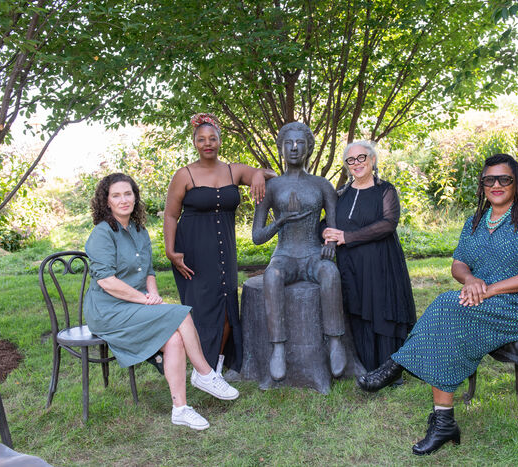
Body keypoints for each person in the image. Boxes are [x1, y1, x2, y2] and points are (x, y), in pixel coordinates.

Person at [357, 153, 518, 456]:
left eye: (503, 179)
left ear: (516, 183)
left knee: (445, 306)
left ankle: (397, 365)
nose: (496, 185)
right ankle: (443, 421)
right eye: (489, 179)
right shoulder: (475, 221)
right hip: (480, 300)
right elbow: (458, 265)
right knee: (448, 324)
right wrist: (470, 281)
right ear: (482, 185)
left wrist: (489, 289)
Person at [84, 173, 239, 430]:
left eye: (128, 194)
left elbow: (148, 272)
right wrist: (146, 300)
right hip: (107, 310)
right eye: (116, 195)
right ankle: (204, 373)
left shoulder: (139, 230)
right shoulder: (102, 234)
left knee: (175, 339)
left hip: (134, 303)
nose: (123, 200)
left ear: (135, 197)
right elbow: (107, 282)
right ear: (106, 202)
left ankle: (180, 409)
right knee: (180, 314)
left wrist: (154, 295)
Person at [163, 113, 275, 376]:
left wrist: (258, 174)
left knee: (226, 308)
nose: (207, 143)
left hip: (225, 250)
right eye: (201, 139)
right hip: (192, 250)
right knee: (200, 309)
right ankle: (203, 366)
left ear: (220, 141)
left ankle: (215, 365)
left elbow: (269, 173)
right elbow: (170, 214)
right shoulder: (184, 174)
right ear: (194, 143)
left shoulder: (233, 170)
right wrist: (170, 251)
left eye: (212, 138)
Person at [251, 121, 347, 381]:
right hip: (284, 255)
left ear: (308, 150)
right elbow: (257, 237)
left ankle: (335, 341)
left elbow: (334, 227)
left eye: (300, 143)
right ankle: (278, 348)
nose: (294, 148)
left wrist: (329, 246)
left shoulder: (321, 185)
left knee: (329, 273)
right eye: (288, 143)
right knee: (272, 276)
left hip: (313, 253)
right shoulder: (272, 188)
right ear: (281, 148)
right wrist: (282, 219)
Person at [322, 141, 416, 374]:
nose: (357, 164)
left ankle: (389, 369)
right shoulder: (341, 193)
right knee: (358, 310)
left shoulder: (385, 190)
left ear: (372, 160)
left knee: (381, 310)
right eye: (351, 160)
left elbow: (388, 224)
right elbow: (327, 222)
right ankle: (366, 365)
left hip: (381, 263)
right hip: (351, 266)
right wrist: (324, 231)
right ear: (346, 165)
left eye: (361, 158)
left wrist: (348, 236)